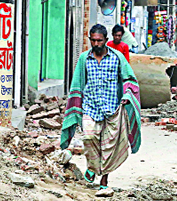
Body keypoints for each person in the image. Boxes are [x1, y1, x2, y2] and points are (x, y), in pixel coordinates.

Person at [60, 24, 142, 189]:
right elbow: (77, 82)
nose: (96, 44)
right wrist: (76, 104)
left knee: (108, 145)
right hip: (90, 106)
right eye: (93, 40)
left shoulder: (117, 57)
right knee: (89, 138)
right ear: (89, 39)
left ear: (106, 40)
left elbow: (129, 79)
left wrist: (127, 95)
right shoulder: (84, 58)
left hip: (112, 109)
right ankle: (92, 167)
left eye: (99, 41)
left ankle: (104, 179)